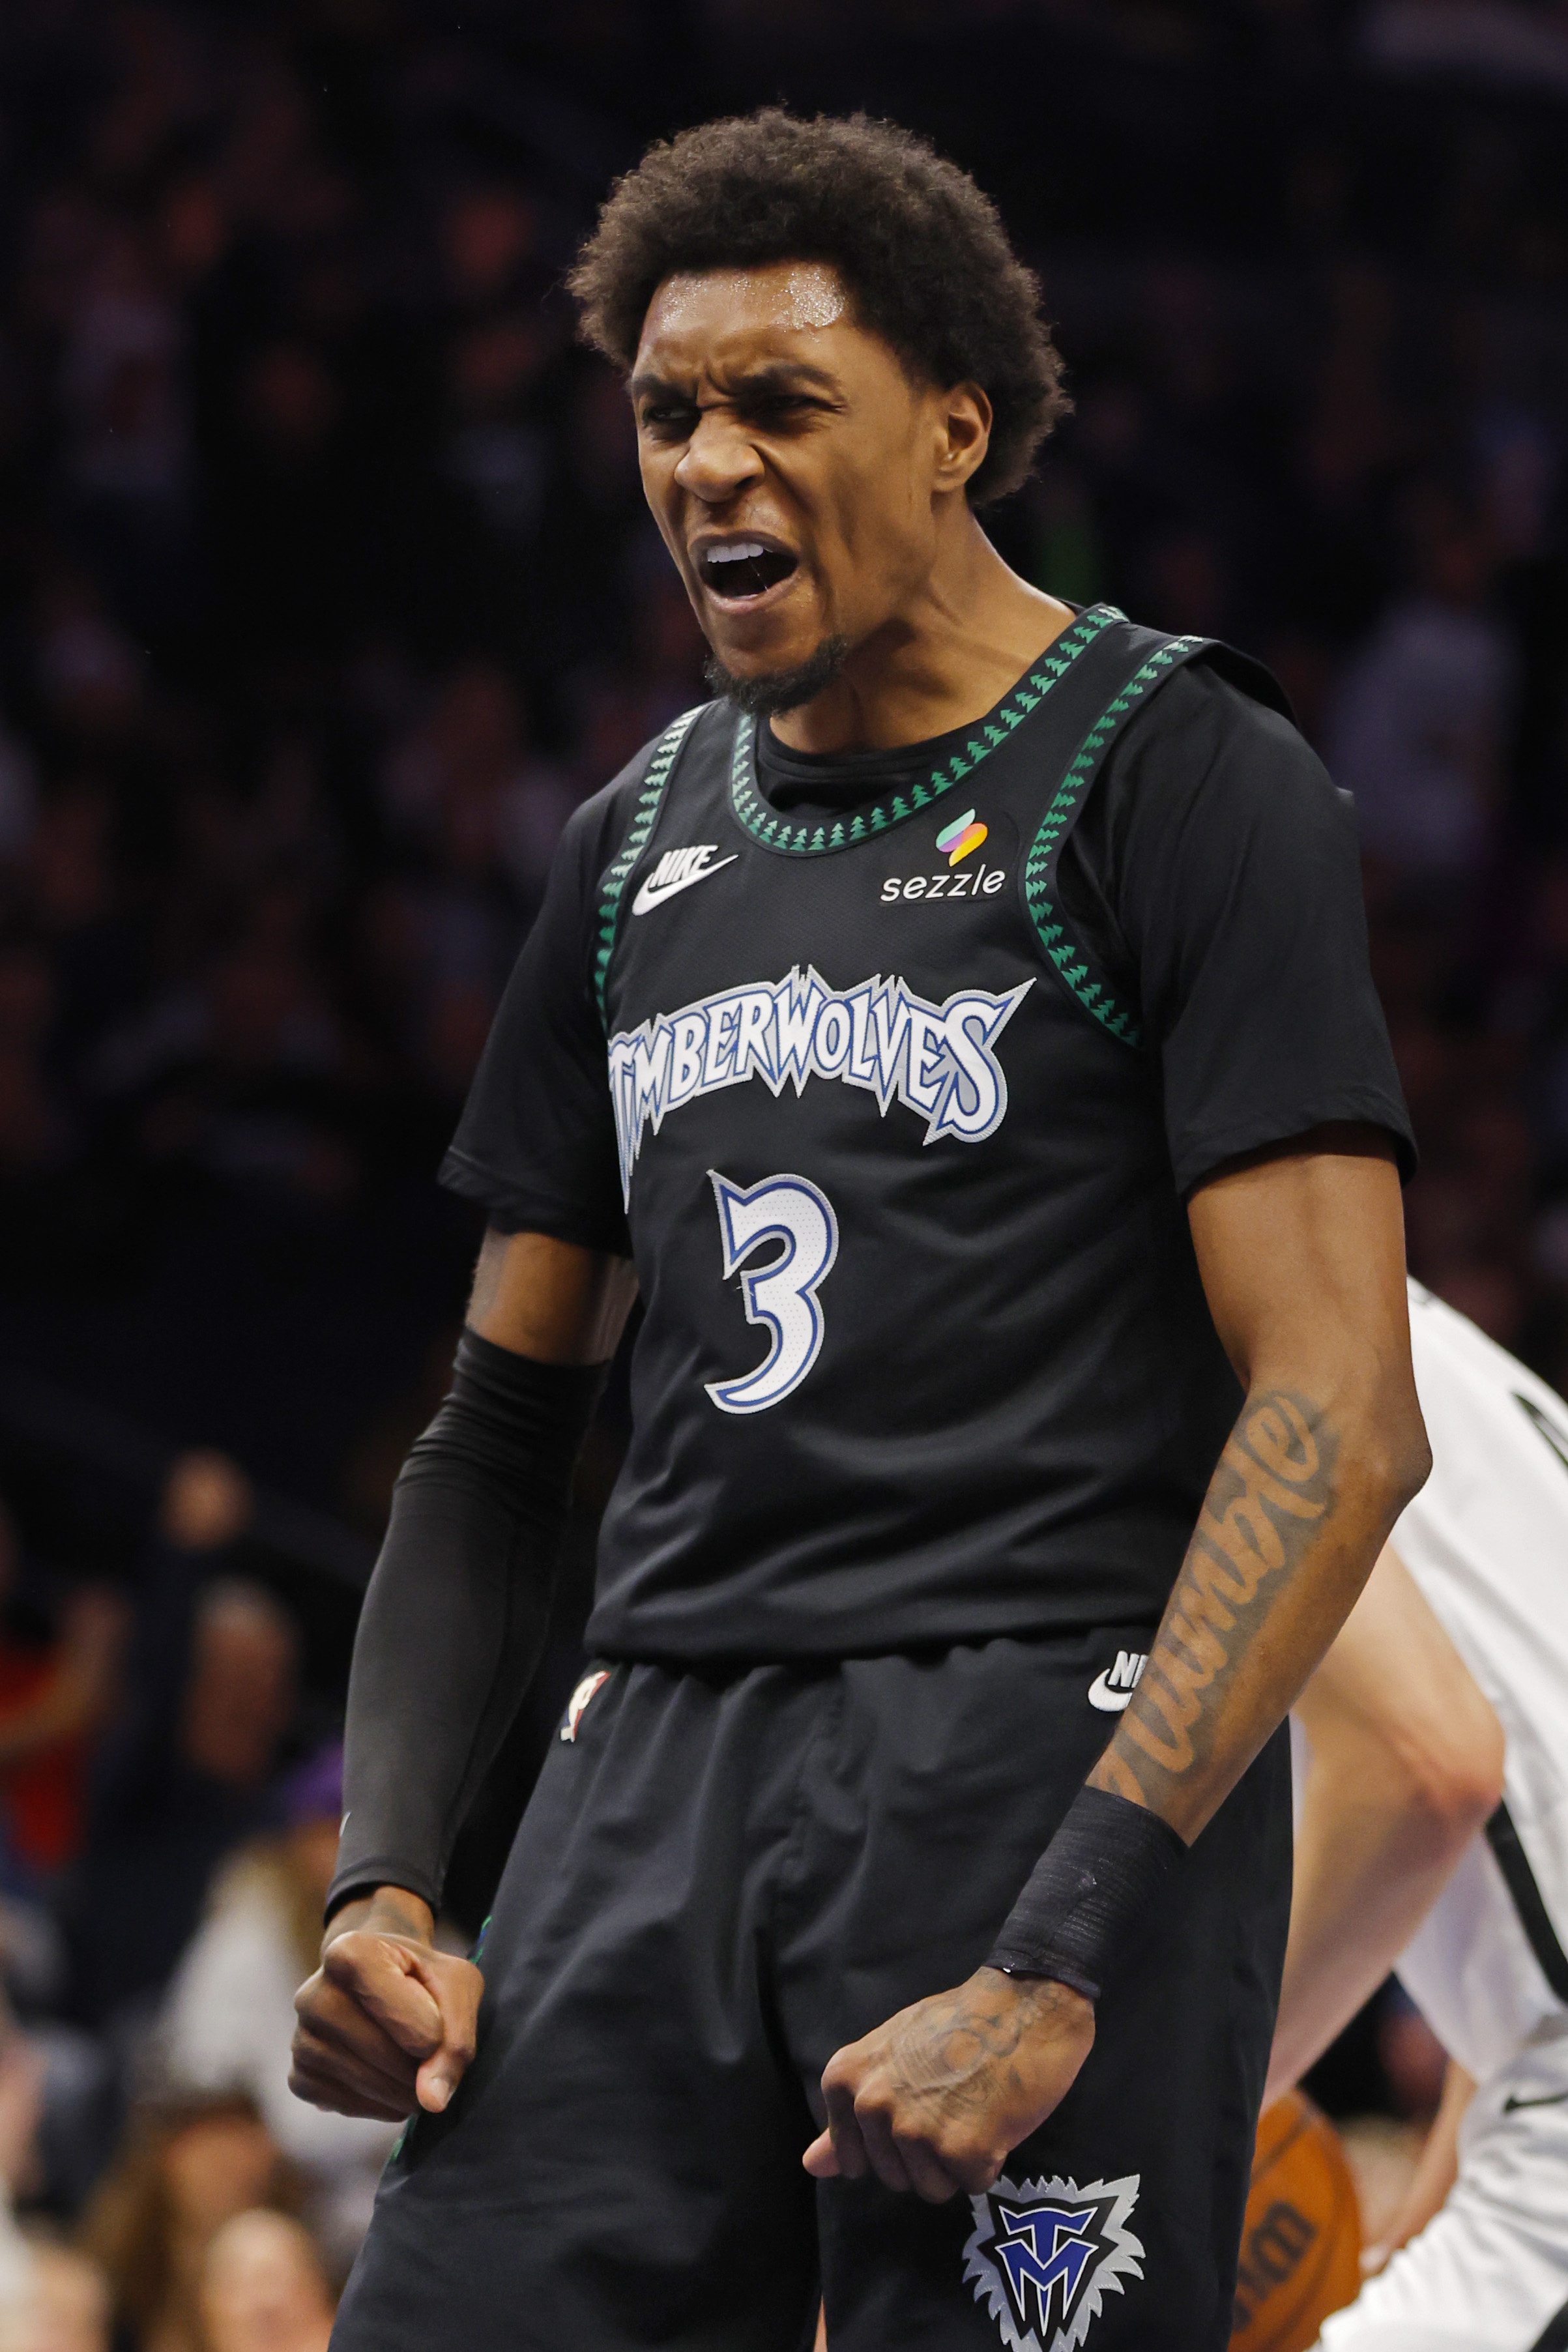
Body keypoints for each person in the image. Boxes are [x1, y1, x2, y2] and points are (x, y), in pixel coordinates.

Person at [291, 110, 1428, 2351]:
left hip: (1033, 1742)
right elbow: (495, 1441)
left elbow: (1335, 1408)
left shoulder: (1173, 768)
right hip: (658, 1757)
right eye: (666, 413)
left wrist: (1060, 1947)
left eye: (779, 404)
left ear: (952, 428)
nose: (707, 462)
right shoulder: (629, 847)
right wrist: (387, 1876)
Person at [1268, 1279, 1568, 2351]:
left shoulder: (1196, 1333)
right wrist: (1425, 2219)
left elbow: (1424, 1772)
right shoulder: (1422, 1340)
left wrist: (1149, 2123)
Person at [157, 1748, 396, 2275]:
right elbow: (281, 2121)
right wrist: (398, 2120)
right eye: (337, 1831)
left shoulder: (418, 1928)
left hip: (355, 2198)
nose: (357, 1852)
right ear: (303, 1837)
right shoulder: (247, 1938)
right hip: (268, 2184)